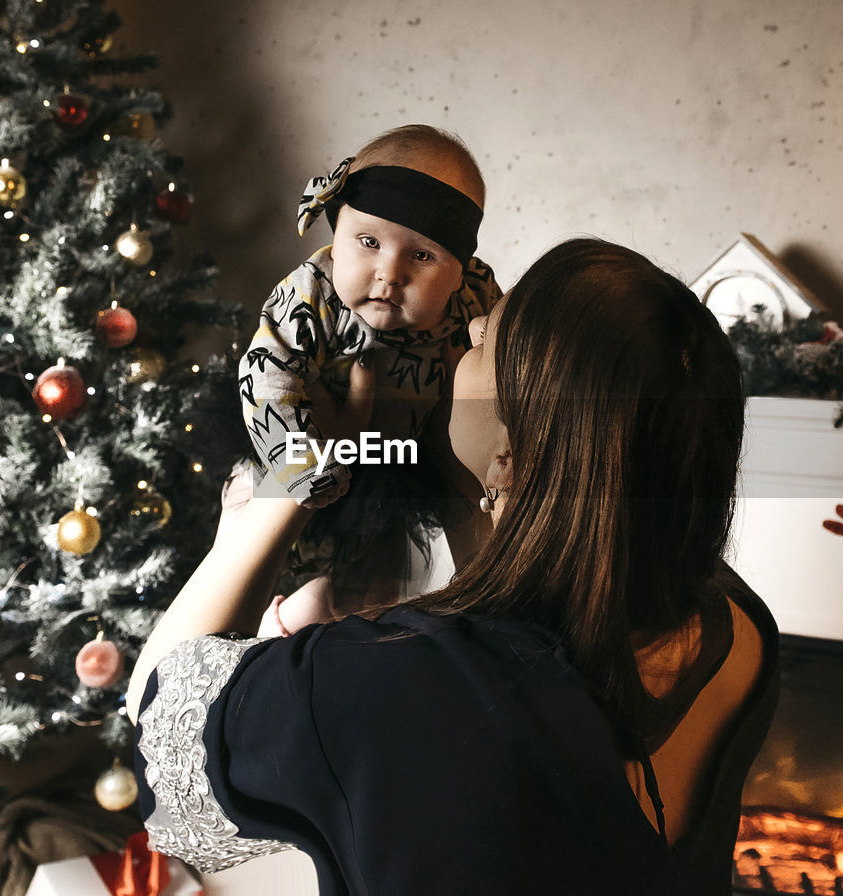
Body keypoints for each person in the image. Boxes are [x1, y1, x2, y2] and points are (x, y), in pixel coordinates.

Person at [129, 238, 779, 894]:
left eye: (489, 340)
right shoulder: (739, 625)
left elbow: (160, 717)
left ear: (510, 453)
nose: (470, 322)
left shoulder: (419, 683)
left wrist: (296, 468)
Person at [239, 124, 502, 511]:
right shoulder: (311, 295)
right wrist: (303, 463)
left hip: (397, 475)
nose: (390, 273)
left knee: (372, 569)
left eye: (423, 256)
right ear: (336, 235)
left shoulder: (474, 296)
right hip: (301, 463)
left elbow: (512, 348)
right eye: (370, 242)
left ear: (460, 272)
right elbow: (266, 374)